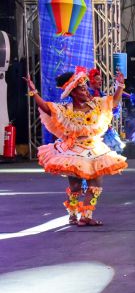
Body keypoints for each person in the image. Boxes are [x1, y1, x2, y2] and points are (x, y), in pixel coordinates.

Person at [25, 67, 127, 226]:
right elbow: (46, 108)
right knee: (75, 186)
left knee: (96, 183)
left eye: (86, 87)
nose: (86, 91)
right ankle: (74, 214)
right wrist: (34, 92)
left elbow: (113, 102)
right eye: (82, 88)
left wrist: (120, 86)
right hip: (73, 149)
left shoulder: (97, 104)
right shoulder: (65, 110)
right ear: (73, 92)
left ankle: (85, 215)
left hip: (94, 148)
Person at [87, 67, 125, 154]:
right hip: (89, 130)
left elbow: (113, 105)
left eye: (101, 80)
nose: (100, 81)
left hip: (103, 128)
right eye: (97, 79)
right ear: (90, 80)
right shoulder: (85, 94)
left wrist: (120, 85)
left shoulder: (102, 95)